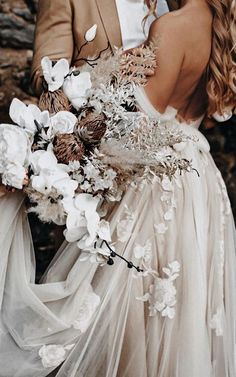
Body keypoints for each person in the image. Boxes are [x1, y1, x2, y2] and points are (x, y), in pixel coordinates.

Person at [0, 1, 235, 377]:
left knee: (137, 311)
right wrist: (107, 75)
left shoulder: (171, 21)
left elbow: (142, 120)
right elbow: (48, 79)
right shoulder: (214, 28)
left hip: (157, 188)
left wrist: (119, 81)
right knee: (168, 316)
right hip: (196, 185)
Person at [31, 0, 177, 95]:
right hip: (110, 133)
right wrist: (106, 72)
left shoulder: (180, 4)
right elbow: (43, 79)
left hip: (178, 130)